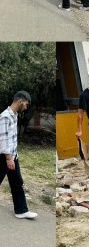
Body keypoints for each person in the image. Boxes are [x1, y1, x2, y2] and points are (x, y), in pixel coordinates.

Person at [0, 91, 38, 219]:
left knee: (17, 182)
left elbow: (12, 139)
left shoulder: (14, 115)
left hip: (13, 157)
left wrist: (14, 157)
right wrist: (8, 158)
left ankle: (21, 211)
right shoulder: (5, 117)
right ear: (20, 102)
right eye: (26, 104)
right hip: (4, 157)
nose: (26, 108)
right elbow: (3, 140)